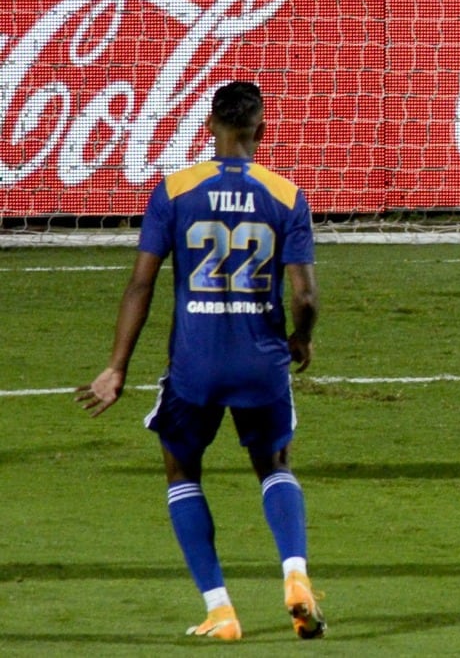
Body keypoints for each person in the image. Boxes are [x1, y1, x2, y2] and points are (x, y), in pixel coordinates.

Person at [77, 80, 326, 640]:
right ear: (261, 131)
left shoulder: (174, 191)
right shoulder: (287, 195)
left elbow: (141, 285)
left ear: (209, 126)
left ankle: (221, 610)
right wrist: (302, 338)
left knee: (182, 471)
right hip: (261, 365)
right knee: (275, 466)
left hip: (195, 366)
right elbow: (305, 296)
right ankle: (295, 576)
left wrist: (117, 366)